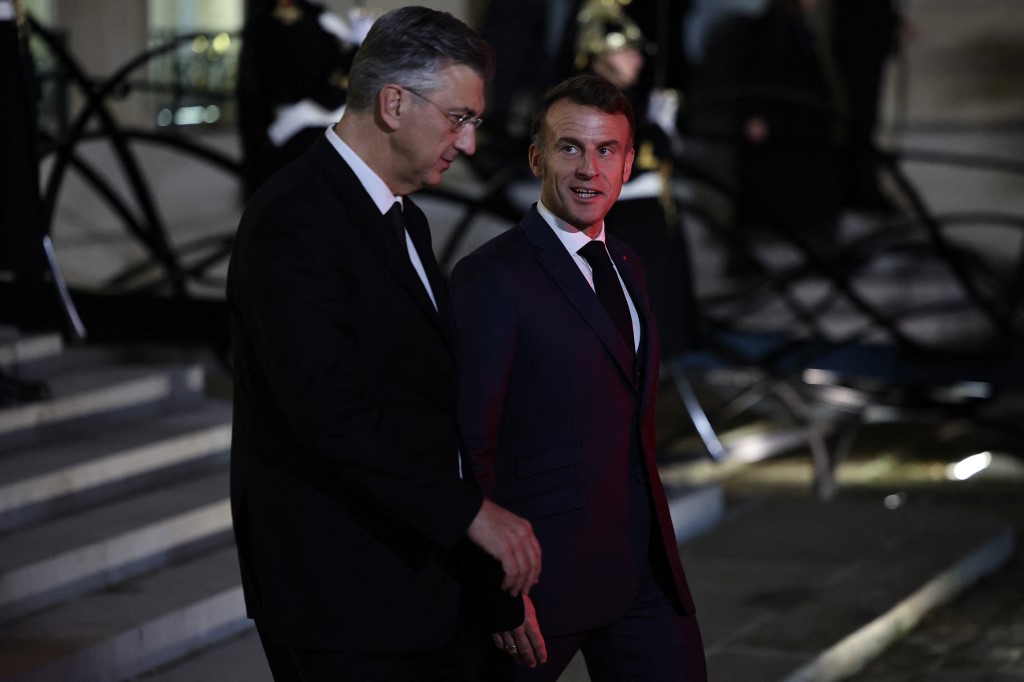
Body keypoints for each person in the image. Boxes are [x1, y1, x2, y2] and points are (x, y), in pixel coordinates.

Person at [226, 7, 541, 681]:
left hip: (418, 577)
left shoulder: (405, 216)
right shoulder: (293, 217)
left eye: (475, 121)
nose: (469, 143)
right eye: (459, 117)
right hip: (341, 594)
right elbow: (326, 410)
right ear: (395, 103)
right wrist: (471, 515)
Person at [450, 74, 707, 681]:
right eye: (570, 148)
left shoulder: (625, 262)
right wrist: (497, 590)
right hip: (542, 579)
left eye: (606, 150)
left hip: (643, 569)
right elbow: (467, 442)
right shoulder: (491, 277)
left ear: (627, 163)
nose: (588, 169)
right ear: (537, 157)